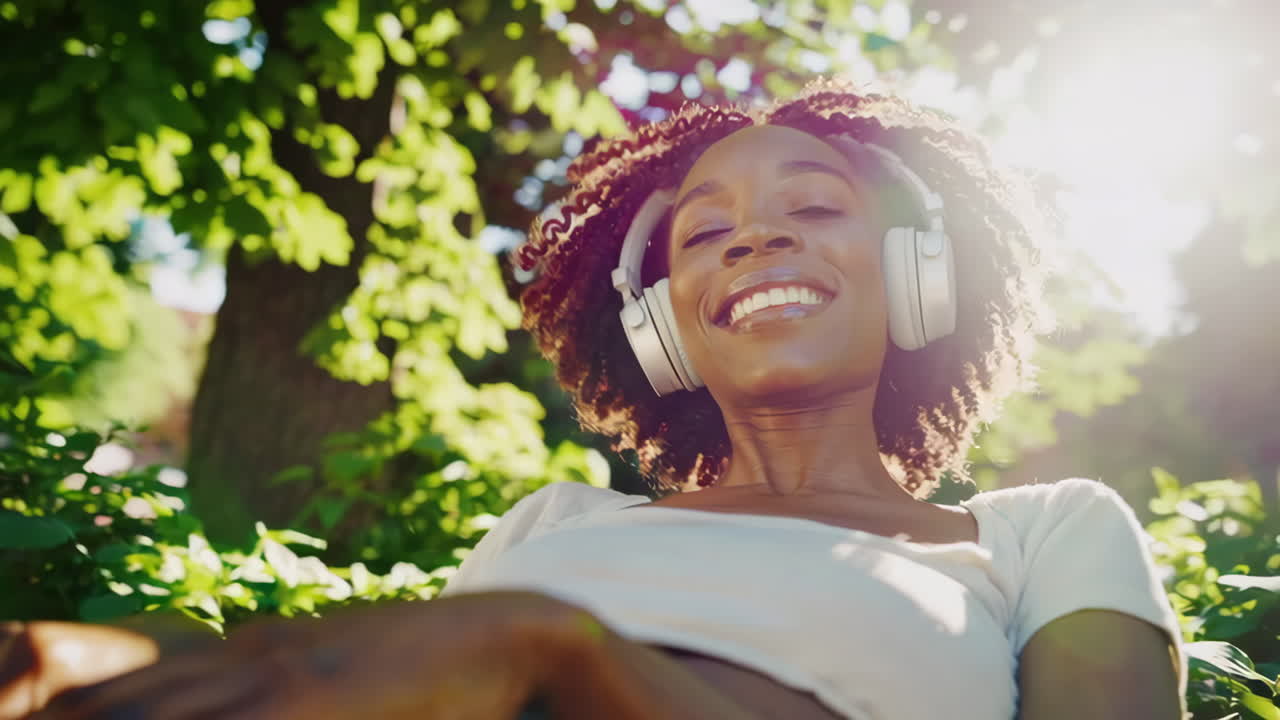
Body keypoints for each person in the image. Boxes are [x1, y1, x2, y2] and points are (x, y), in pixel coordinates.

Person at [1, 78, 1184, 719]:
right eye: (703, 233)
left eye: (815, 208)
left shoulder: (1041, 535)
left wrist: (570, 659)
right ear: (663, 328)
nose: (752, 235)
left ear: (921, 276)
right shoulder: (555, 523)